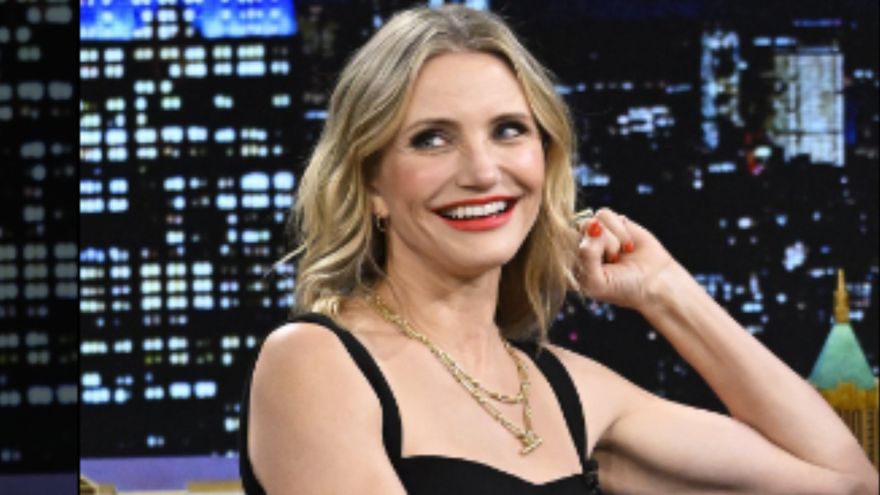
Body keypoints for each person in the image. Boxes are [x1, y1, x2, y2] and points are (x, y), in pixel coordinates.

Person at [239, 5, 878, 494]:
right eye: (432, 138)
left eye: (509, 131)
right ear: (372, 185)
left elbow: (845, 482)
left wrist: (666, 291)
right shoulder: (316, 362)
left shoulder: (567, 390)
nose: (483, 171)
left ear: (545, 161)